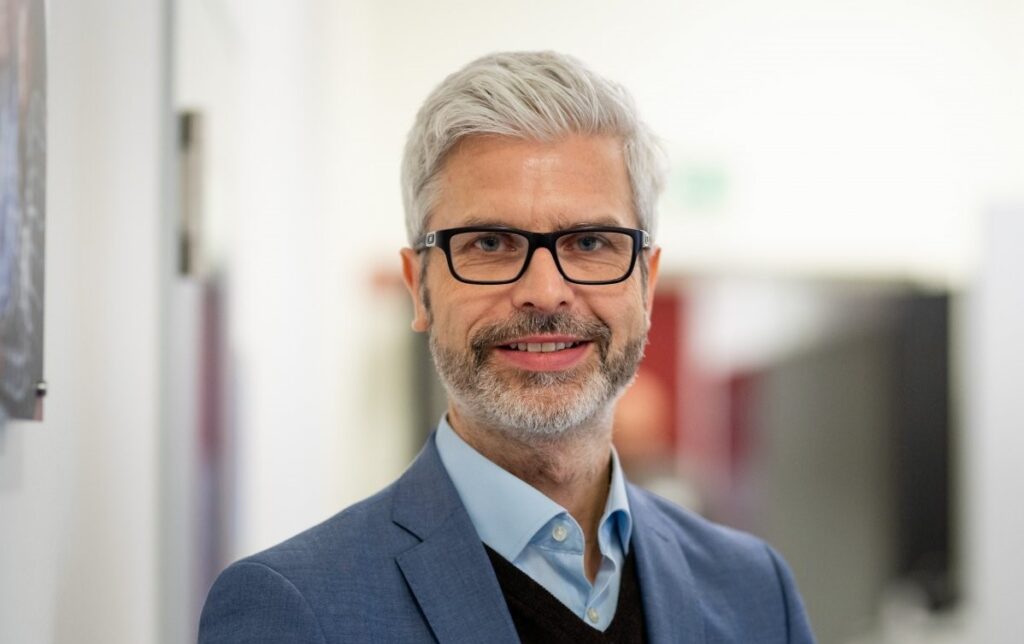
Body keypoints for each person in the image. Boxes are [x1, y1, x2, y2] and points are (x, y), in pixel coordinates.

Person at [199, 51, 815, 643]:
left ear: (646, 283)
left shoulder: (754, 591)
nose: (544, 293)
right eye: (490, 244)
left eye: (590, 243)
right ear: (419, 288)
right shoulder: (296, 608)